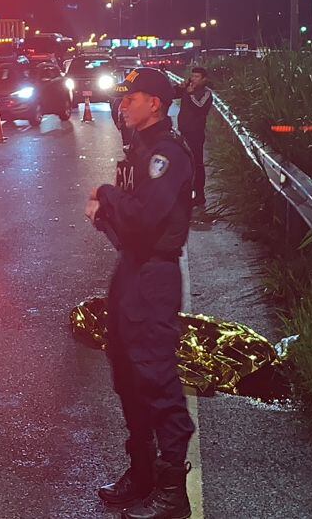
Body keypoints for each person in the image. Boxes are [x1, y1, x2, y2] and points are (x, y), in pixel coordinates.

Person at [85, 68, 196, 519]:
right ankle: (143, 473)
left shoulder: (167, 155)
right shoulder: (141, 151)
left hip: (153, 278)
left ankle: (173, 493)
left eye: (131, 97)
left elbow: (145, 218)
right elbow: (122, 226)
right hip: (131, 270)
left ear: (156, 103)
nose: (122, 104)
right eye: (122, 97)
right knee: (127, 376)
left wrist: (107, 197)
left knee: (156, 377)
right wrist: (108, 212)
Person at [175, 66, 213, 210]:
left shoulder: (206, 93)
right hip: (184, 131)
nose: (194, 79)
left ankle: (199, 194)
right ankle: (186, 193)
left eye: (197, 77)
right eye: (193, 76)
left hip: (196, 133)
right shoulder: (188, 89)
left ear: (204, 79)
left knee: (197, 163)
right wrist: (181, 87)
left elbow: (200, 107)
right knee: (184, 163)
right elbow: (172, 93)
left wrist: (190, 95)